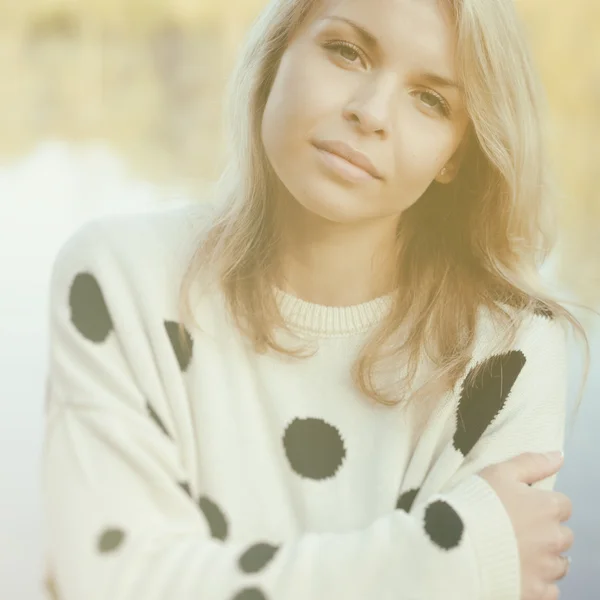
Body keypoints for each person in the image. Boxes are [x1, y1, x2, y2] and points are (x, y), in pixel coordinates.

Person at [42, 0, 591, 599]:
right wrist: (453, 562)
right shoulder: (121, 281)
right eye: (347, 52)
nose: (371, 113)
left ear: (454, 156)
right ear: (279, 52)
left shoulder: (511, 346)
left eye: (431, 100)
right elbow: (102, 584)